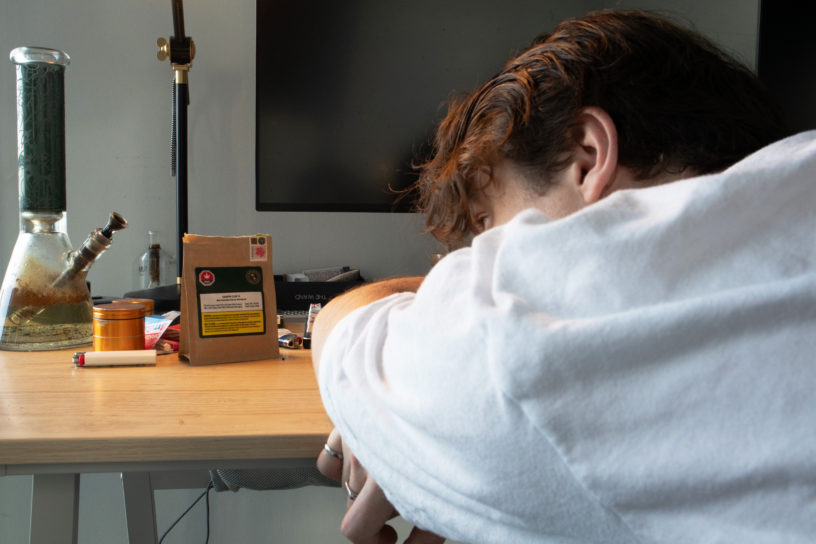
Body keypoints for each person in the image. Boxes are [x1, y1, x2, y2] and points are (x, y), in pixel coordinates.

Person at [313, 8, 815, 544]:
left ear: (586, 156)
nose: (481, 255)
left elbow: (344, 333)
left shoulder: (543, 330)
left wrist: (393, 413)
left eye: (487, 223)